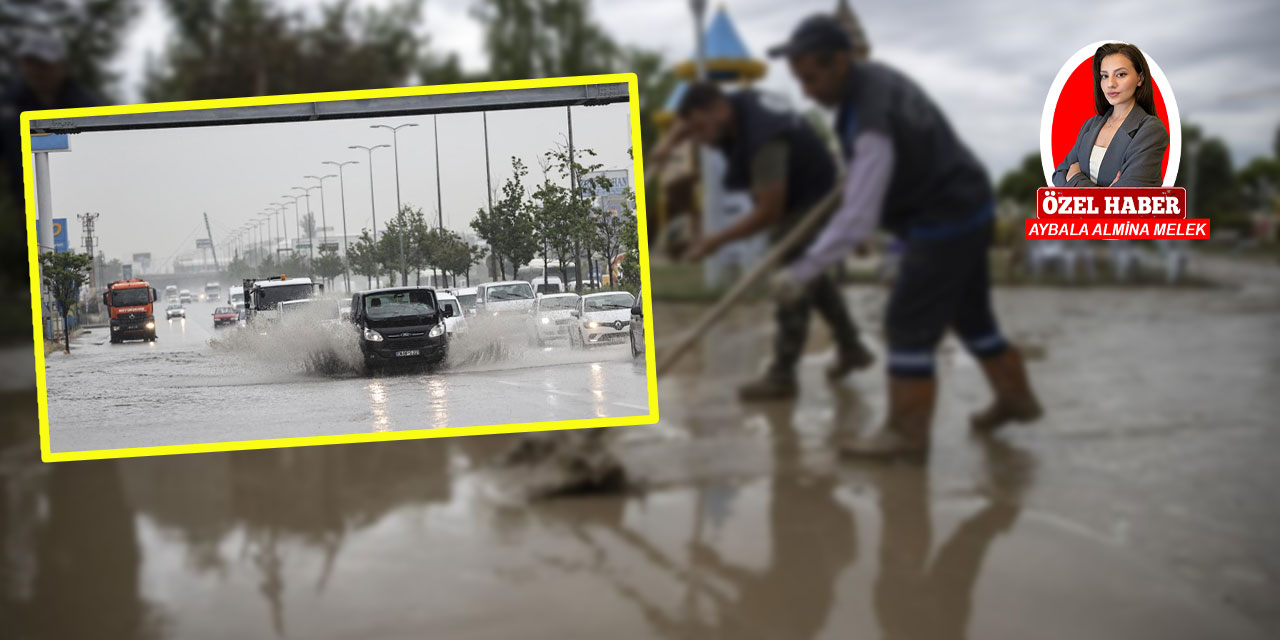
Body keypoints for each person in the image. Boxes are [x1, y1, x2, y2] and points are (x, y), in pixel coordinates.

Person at [767, 14, 1042, 460]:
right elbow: (865, 187)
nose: (806, 92)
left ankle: (906, 435)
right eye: (799, 80)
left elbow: (859, 213)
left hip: (944, 216)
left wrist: (804, 270)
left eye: (812, 78)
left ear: (838, 61)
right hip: (968, 205)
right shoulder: (872, 87)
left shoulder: (870, 113)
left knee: (906, 322)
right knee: (972, 318)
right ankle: (1016, 398)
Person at [650, 82, 874, 400]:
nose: (699, 138)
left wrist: (715, 242)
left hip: (814, 197)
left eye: (702, 129)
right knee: (810, 274)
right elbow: (688, 120)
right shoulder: (728, 105)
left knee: (790, 275)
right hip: (798, 187)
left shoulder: (763, 140)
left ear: (719, 110)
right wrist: (668, 143)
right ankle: (852, 347)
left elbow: (769, 212)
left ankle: (783, 375)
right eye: (694, 129)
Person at [0, 30, 100, 208]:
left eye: (43, 64)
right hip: (27, 205)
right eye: (30, 63)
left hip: (80, 199)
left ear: (62, 66)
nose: (36, 71)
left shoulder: (87, 106)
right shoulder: (8, 104)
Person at [1052, 42, 1168, 188]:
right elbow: (1059, 174)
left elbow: (1125, 201)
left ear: (1140, 79)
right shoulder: (1091, 124)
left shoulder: (1151, 130)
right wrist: (1107, 193)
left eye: (1120, 74)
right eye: (1104, 76)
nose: (1110, 84)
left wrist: (1075, 178)